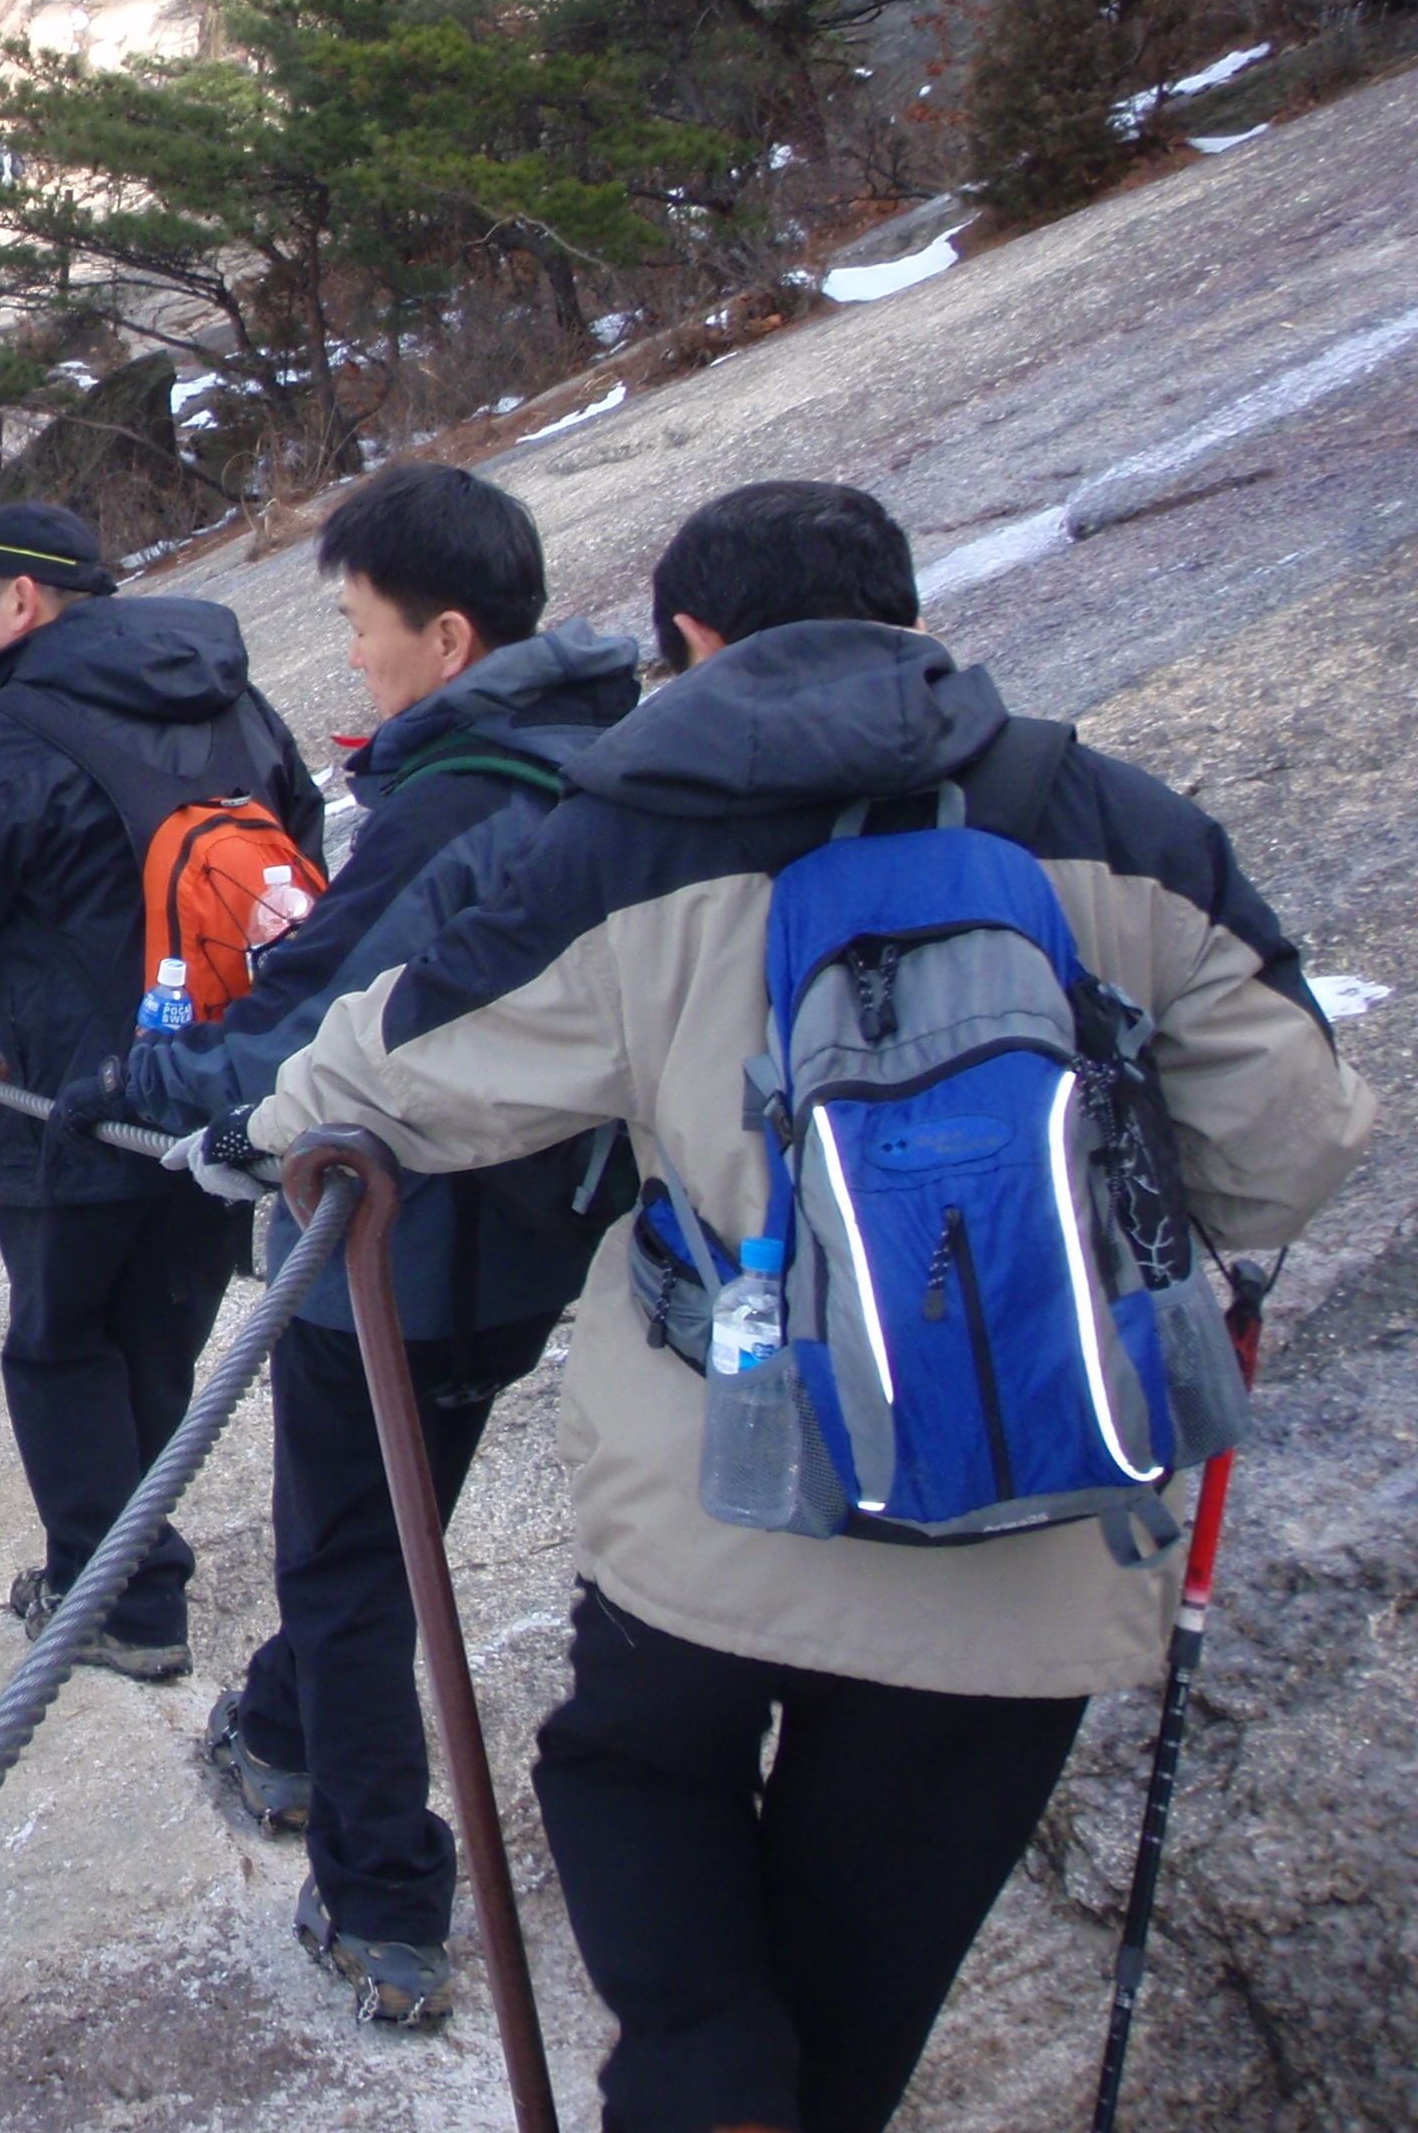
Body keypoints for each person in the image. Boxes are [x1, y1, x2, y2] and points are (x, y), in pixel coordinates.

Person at [222, 480, 1373, 2133]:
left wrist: (260, 1135)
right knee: (864, 1966)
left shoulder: (633, 836)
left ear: (691, 642)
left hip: (732, 1499)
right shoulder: (1111, 815)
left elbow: (403, 1066)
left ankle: (705, 2077)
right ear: (909, 620)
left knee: (627, 1766)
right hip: (1041, 1506)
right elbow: (1286, 1149)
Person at [84, 462, 639, 2023]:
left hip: (392, 1249)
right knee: (388, 1528)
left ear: (448, 638)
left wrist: (134, 1085)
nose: (352, 656)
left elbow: (311, 1018)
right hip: (529, 1239)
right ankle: (279, 1729)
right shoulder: (595, 764)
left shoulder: (455, 801)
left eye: (362, 625)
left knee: (346, 1565)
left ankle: (382, 1899)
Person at [0, 501, 325, 1680]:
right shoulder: (230, 695)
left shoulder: (5, 731)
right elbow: (301, 846)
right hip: (215, 1078)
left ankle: (122, 1599)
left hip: (62, 1090)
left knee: (60, 1345)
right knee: (159, 1338)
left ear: (22, 599)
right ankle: (128, 1569)